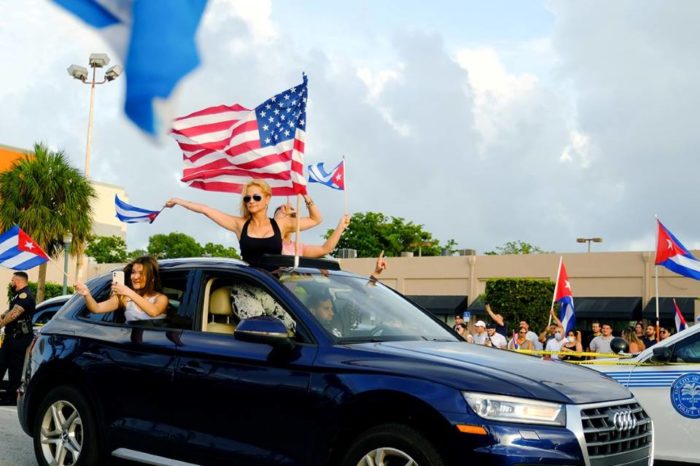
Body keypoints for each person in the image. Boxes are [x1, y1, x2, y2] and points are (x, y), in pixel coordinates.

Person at [165, 180, 321, 269]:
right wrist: (178, 201)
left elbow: (316, 219)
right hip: (248, 284)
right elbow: (206, 210)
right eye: (247, 198)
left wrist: (304, 193)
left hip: (275, 287)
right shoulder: (239, 225)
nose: (251, 201)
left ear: (267, 199)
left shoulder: (281, 224)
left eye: (256, 197)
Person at [75, 256, 168, 323]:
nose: (135, 277)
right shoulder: (124, 297)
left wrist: (128, 291)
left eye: (141, 273)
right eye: (133, 272)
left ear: (152, 277)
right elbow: (96, 308)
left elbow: (154, 312)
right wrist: (86, 294)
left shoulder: (161, 298)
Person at [0, 272, 36, 404]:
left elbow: (14, 314)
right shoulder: (17, 295)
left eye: (12, 280)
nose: (11, 282)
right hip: (11, 337)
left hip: (19, 338)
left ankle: (10, 397)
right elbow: (9, 312)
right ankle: (6, 394)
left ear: (18, 281)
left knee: (15, 368)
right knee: (2, 363)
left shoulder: (25, 295)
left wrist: (1, 323)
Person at [274, 204, 350, 257]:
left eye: (293, 216)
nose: (287, 220)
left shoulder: (298, 247)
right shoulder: (269, 242)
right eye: (282, 216)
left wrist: (340, 227)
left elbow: (324, 249)